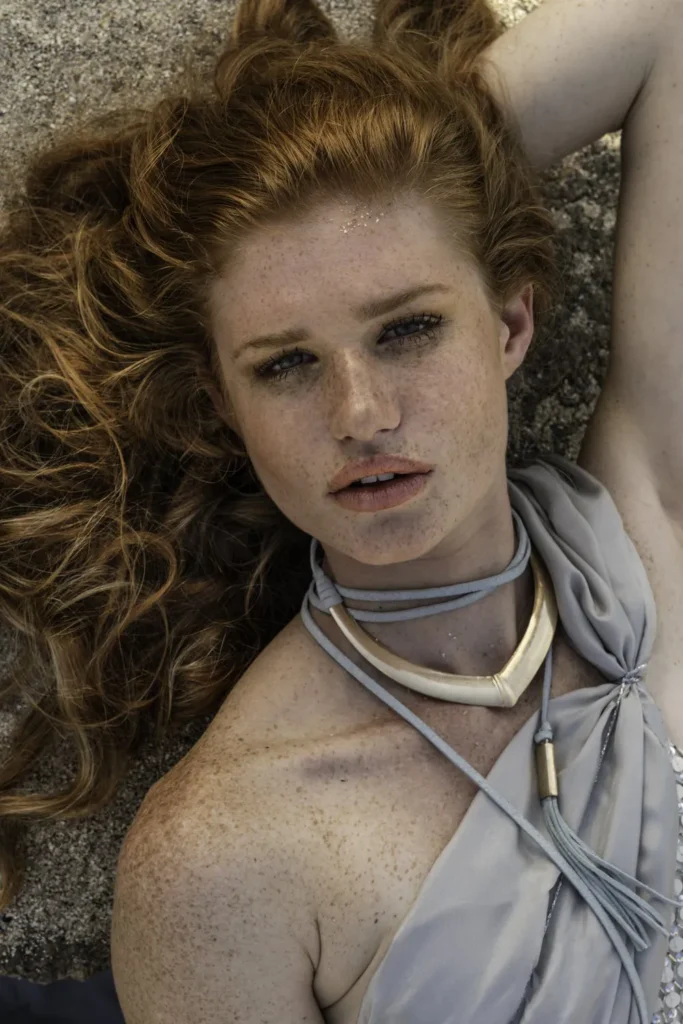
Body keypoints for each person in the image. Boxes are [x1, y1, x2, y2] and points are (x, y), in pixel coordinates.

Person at [1, 0, 682, 1020]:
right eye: (285, 364)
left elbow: (663, 28)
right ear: (223, 402)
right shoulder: (224, 858)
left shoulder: (645, 532)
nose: (360, 414)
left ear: (508, 324)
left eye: (407, 328)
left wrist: (430, 166)